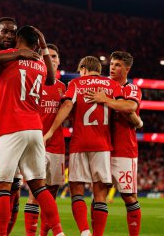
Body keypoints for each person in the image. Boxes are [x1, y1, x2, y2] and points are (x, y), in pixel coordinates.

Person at [0, 25, 65, 236]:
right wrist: (43, 48)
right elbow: (52, 81)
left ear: (17, 39)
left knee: (0, 188)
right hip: (35, 130)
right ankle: (60, 232)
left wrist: (16, 53)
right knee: (38, 186)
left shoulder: (7, 56)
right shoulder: (40, 65)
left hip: (10, 127)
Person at [44, 56, 135, 236]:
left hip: (80, 143)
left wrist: (50, 131)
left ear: (83, 69)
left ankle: (84, 232)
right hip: (102, 145)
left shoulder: (76, 83)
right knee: (100, 194)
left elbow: (67, 104)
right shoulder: (112, 86)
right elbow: (127, 106)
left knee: (77, 191)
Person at [0, 17, 40, 236]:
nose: (9, 36)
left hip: (13, 128)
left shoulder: (14, 60)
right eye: (4, 32)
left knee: (14, 189)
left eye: (13, 33)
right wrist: (20, 53)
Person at [86, 51, 143, 236]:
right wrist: (134, 119)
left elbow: (130, 106)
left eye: (117, 65)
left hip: (124, 150)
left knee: (128, 196)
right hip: (102, 148)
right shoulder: (105, 87)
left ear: (127, 69)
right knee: (98, 196)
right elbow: (130, 114)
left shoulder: (131, 89)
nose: (112, 67)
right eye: (111, 64)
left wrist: (106, 100)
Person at [23, 43, 66, 236]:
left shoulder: (62, 88)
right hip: (35, 144)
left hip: (57, 145)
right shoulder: (34, 83)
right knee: (34, 193)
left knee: (52, 194)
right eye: (49, 56)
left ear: (58, 61)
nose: (53, 59)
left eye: (55, 56)